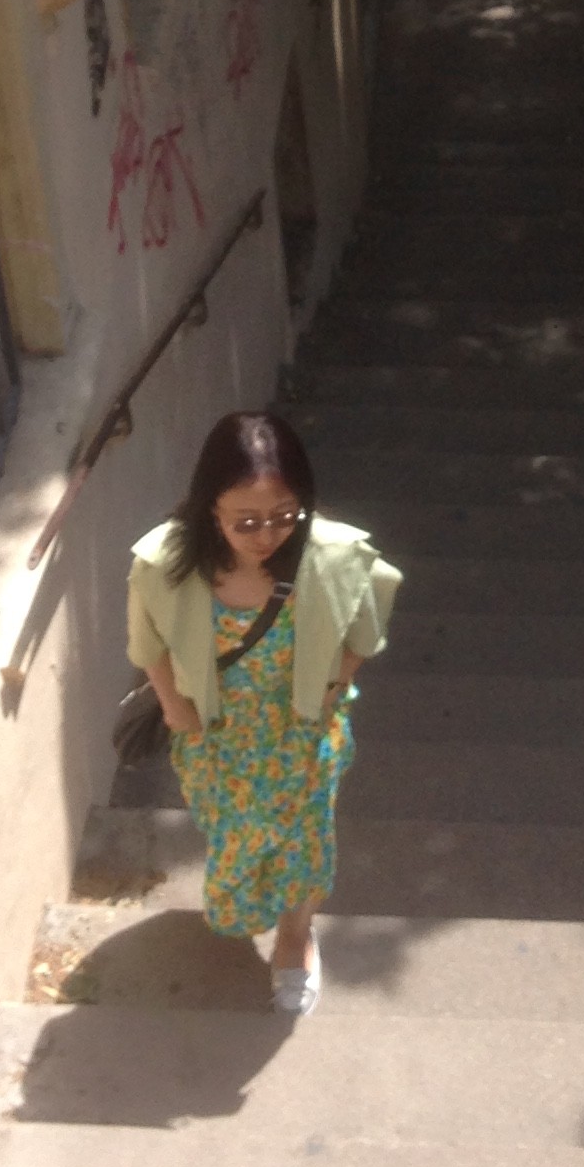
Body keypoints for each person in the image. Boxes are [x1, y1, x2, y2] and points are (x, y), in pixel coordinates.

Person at [125, 409, 400, 1015]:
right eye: (245, 522)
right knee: (236, 835)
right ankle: (256, 905)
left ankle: (296, 936)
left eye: (284, 516)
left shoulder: (331, 556)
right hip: (215, 734)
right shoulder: (164, 565)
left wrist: (337, 684)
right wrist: (173, 707)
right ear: (210, 509)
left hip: (302, 731)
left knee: (304, 842)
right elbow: (147, 648)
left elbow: (369, 620)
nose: (266, 536)